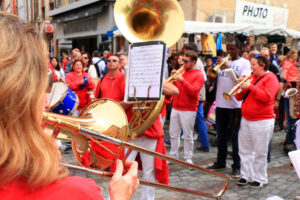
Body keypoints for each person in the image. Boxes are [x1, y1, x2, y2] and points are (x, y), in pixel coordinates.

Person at [0, 12, 138, 200]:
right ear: (26, 97)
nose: (47, 103)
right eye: (44, 88)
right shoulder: (78, 193)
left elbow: (92, 87)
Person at [207, 37, 251, 178]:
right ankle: (220, 161)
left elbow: (241, 81)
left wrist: (228, 68)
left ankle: (237, 166)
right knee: (221, 136)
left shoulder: (245, 63)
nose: (229, 51)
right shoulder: (224, 61)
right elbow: (211, 79)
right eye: (228, 49)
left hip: (235, 105)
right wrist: (212, 71)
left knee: (235, 136)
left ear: (239, 48)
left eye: (232, 49)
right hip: (221, 103)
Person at [235, 55, 279, 188]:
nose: (251, 67)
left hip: (262, 120)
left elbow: (267, 97)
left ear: (262, 65)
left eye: (254, 65)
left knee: (260, 151)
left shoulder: (271, 78)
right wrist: (239, 85)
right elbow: (238, 96)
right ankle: (246, 175)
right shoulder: (251, 77)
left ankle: (260, 178)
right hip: (246, 118)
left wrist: (251, 87)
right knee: (244, 150)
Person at [169, 51, 204, 164]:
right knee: (173, 133)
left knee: (188, 135)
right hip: (176, 106)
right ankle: (173, 155)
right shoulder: (182, 71)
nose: (183, 63)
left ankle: (188, 157)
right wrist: (173, 80)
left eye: (185, 61)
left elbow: (194, 92)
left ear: (193, 62)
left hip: (189, 109)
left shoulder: (199, 75)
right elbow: (175, 89)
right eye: (182, 60)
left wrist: (182, 80)